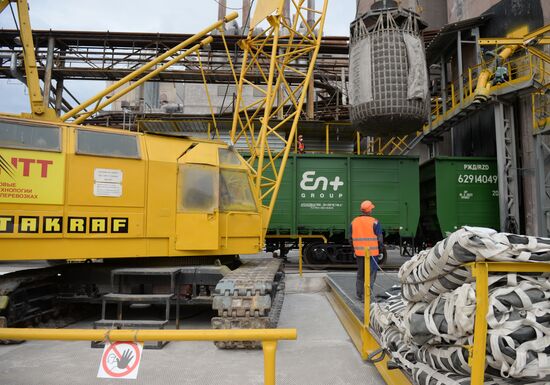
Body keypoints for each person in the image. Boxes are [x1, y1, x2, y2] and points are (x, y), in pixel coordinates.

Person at [350, 200, 383, 301]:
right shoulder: (375, 222)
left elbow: (350, 239)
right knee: (370, 275)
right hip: (372, 254)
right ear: (369, 211)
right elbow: (380, 238)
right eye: (371, 209)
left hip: (359, 253)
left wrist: (355, 250)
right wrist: (380, 250)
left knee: (360, 274)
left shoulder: (354, 222)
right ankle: (367, 296)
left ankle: (359, 294)